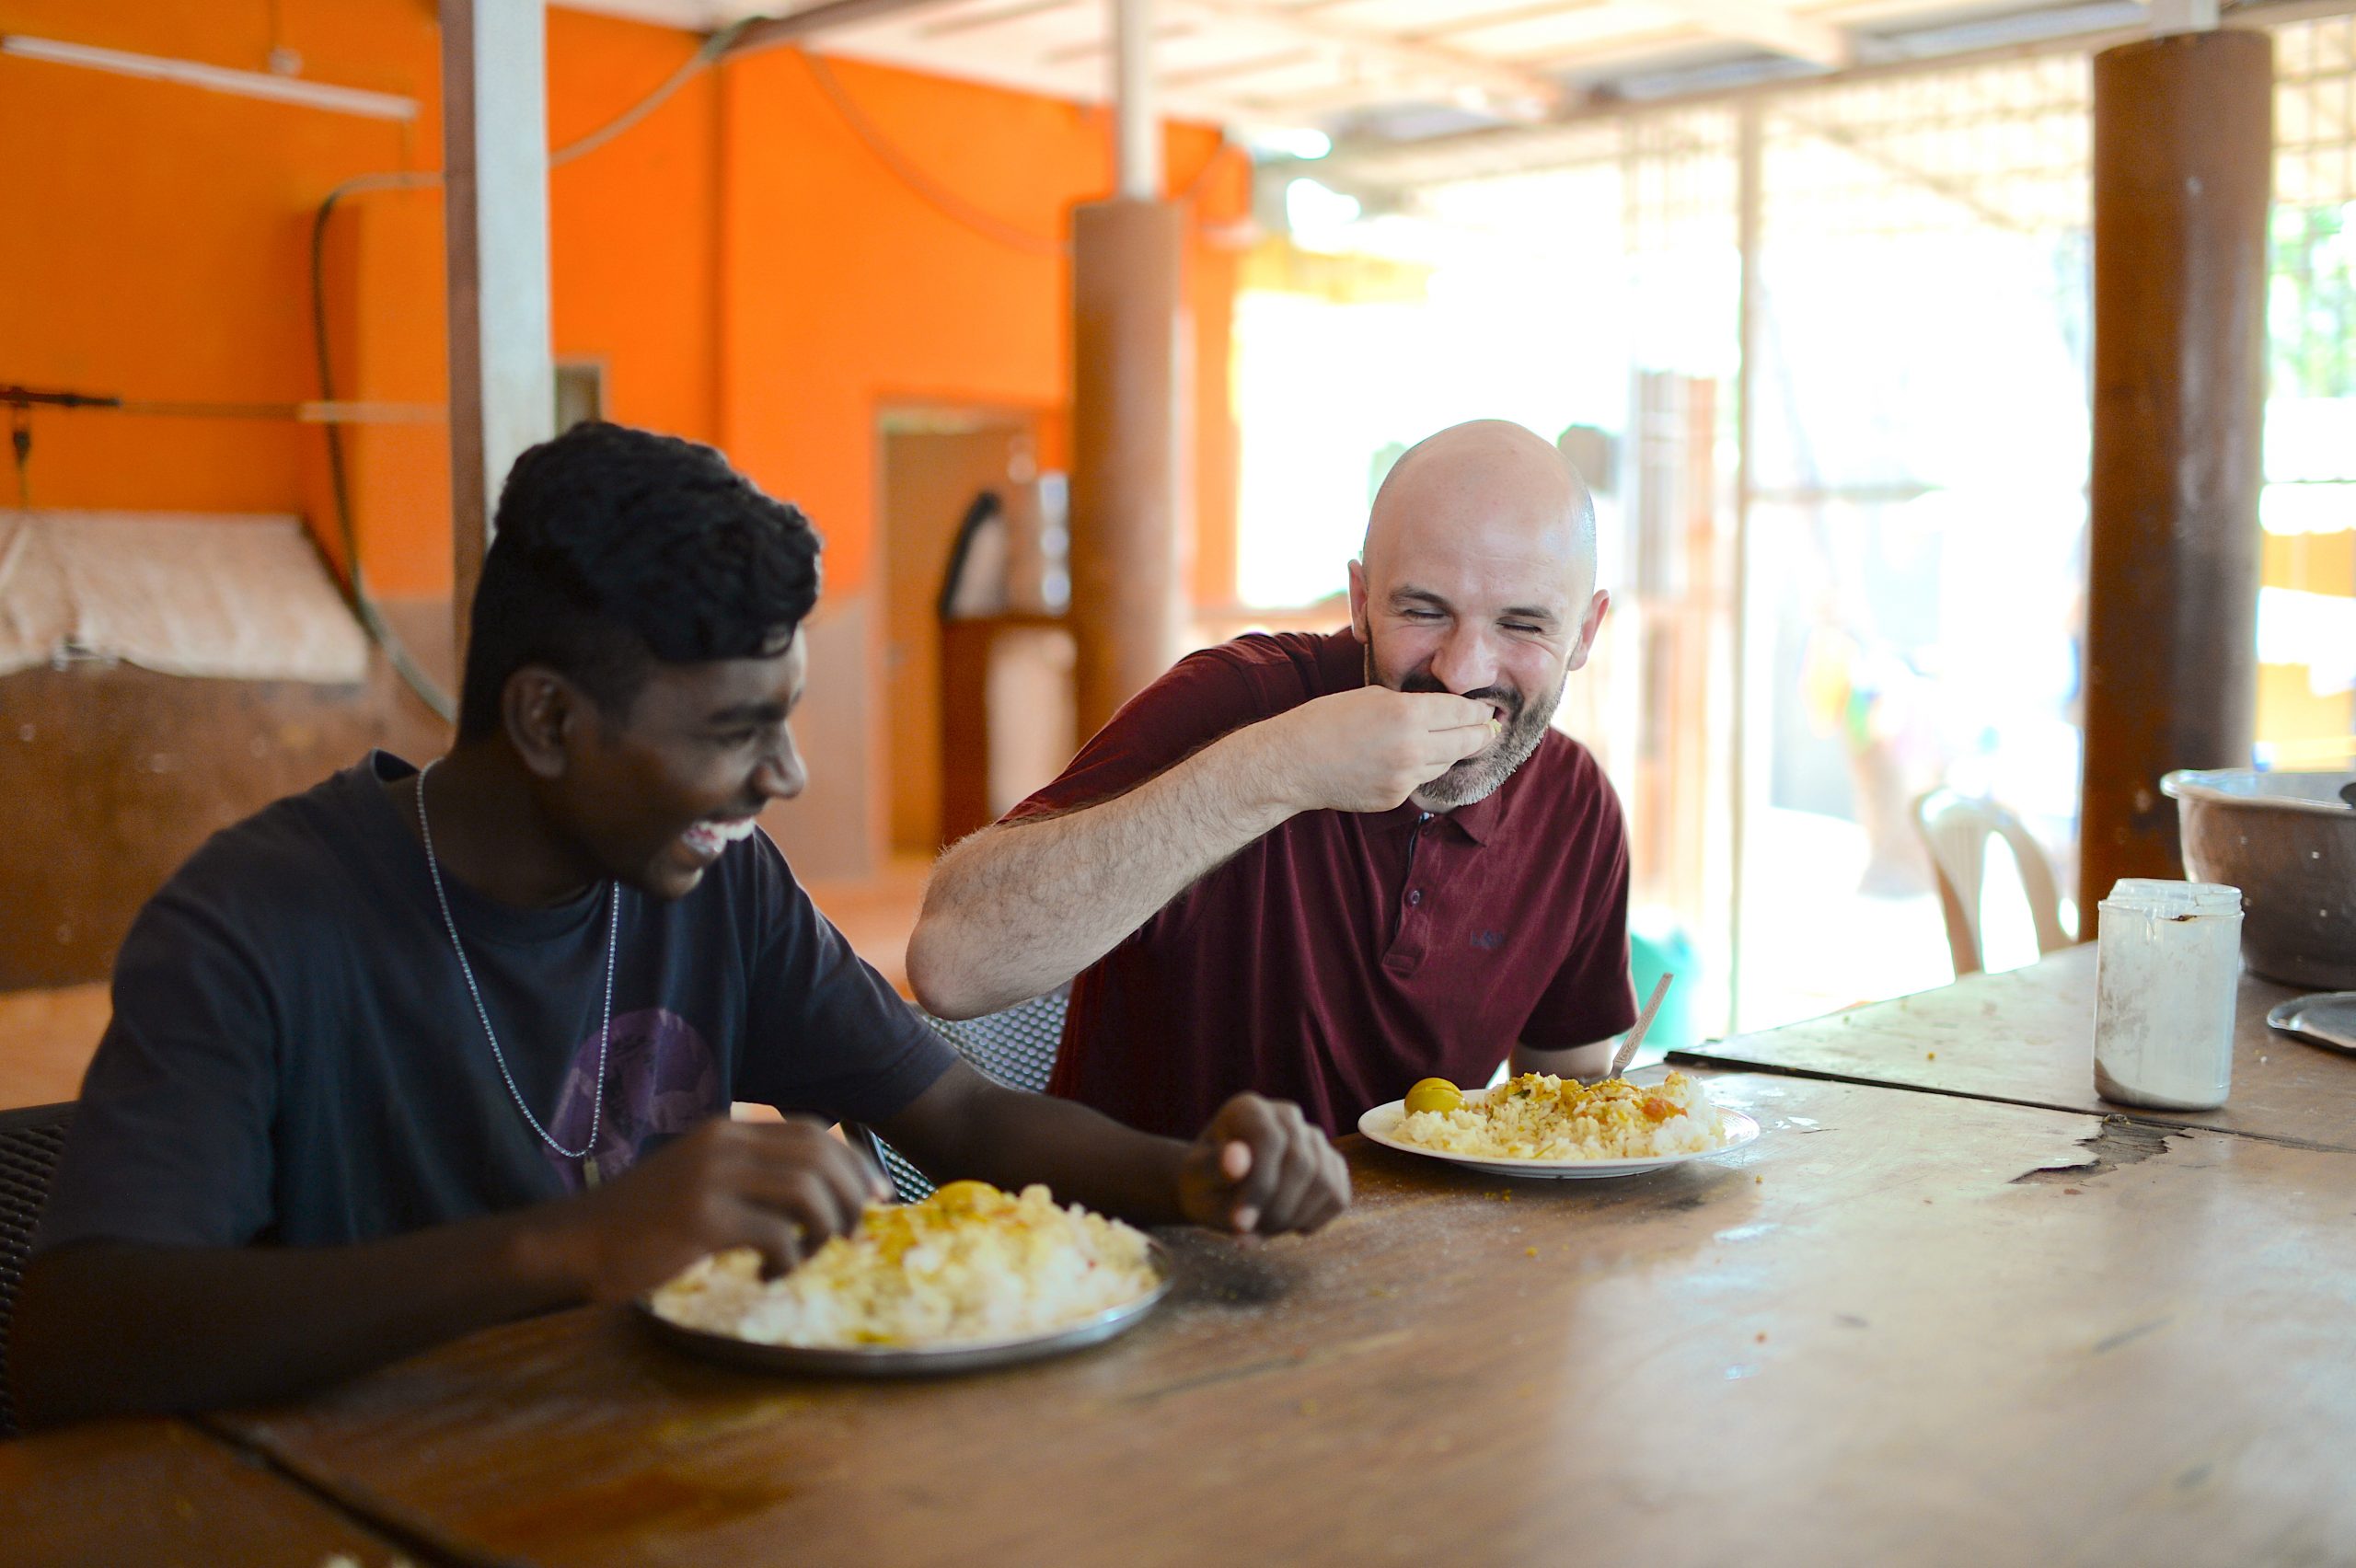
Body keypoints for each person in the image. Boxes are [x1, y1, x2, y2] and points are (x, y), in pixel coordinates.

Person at [9, 421, 1346, 1429]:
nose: (786, 777)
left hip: (670, 1479)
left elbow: (963, 1122)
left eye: (787, 715)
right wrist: (566, 1246)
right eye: (732, 731)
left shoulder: (720, 883)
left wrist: (1183, 1178)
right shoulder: (257, 923)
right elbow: (76, 1331)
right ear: (547, 721)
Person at [907, 419, 1633, 1139]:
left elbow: (1566, 1117)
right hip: (1150, 1239)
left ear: (1586, 633)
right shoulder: (1237, 702)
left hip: (1420, 1252)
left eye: (1522, 624)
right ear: (1360, 601)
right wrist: (1283, 767)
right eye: (1423, 610)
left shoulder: (1575, 807)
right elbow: (950, 965)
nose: (1463, 671)